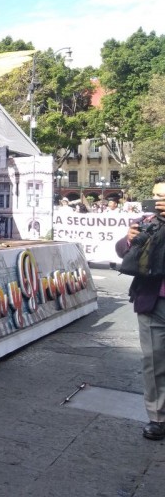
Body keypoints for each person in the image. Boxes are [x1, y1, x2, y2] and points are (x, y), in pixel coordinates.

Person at [115, 178, 165, 441]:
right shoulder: (147, 222)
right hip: (152, 299)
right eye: (156, 196)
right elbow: (123, 251)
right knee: (154, 361)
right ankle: (157, 417)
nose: (159, 202)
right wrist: (129, 239)